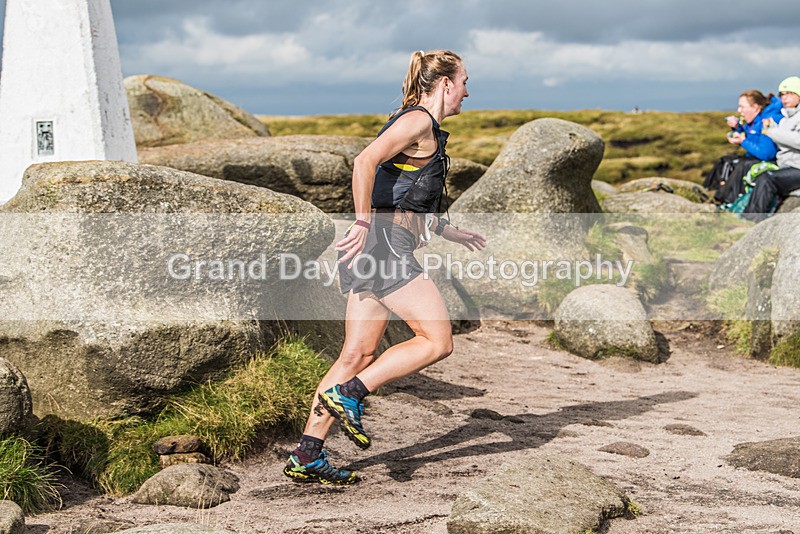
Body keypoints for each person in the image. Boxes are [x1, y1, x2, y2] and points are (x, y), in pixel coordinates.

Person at [283, 49, 486, 485]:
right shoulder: (418, 121)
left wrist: (449, 231)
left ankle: (307, 454)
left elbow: (401, 191)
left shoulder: (415, 123)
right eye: (465, 81)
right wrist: (360, 220)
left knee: (356, 354)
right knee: (437, 340)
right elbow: (363, 162)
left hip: (375, 247)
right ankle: (352, 394)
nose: (468, 91)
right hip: (385, 247)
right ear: (446, 83)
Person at [711, 89, 783, 206]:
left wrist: (742, 141)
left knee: (743, 164)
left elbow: (766, 153)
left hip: (771, 162)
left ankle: (726, 201)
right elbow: (753, 140)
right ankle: (713, 193)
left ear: (755, 107)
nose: (739, 111)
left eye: (742, 107)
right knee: (726, 161)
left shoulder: (767, 120)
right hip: (754, 158)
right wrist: (737, 128)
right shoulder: (755, 120)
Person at [742, 77, 800, 221]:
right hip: (788, 166)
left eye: (790, 93)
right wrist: (772, 127)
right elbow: (785, 138)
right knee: (754, 170)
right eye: (782, 94)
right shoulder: (787, 117)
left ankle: (751, 220)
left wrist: (771, 132)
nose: (784, 98)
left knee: (768, 179)